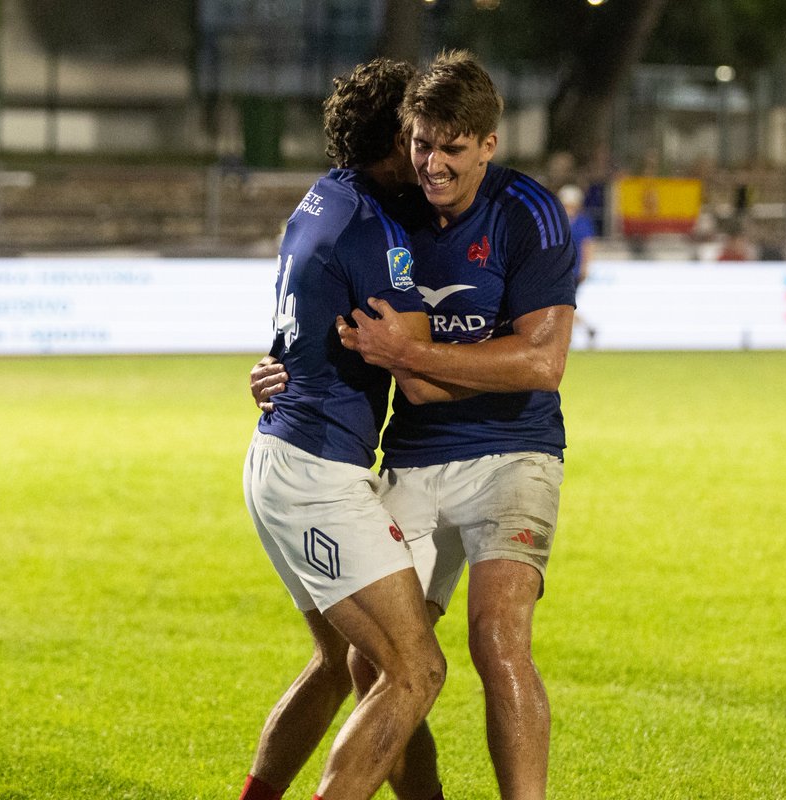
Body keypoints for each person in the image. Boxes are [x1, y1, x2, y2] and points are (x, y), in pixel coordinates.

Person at [254, 49, 577, 800]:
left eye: (451, 149)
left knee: (496, 641)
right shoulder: (390, 212)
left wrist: (408, 353)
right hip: (411, 456)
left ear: (488, 145)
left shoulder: (527, 213)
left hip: (513, 456)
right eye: (420, 143)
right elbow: (334, 308)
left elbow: (544, 364)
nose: (431, 164)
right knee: (381, 666)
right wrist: (283, 367)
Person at [240, 58, 457, 800]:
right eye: (420, 133)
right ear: (395, 135)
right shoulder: (375, 229)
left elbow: (299, 328)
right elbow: (421, 373)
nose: (431, 148)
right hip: (316, 473)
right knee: (415, 669)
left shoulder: (322, 199)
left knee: (341, 667)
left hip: (279, 454)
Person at [558, 183, 598, 348]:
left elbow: (588, 245)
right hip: (559, 270)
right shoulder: (559, 220)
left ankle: (572, 336)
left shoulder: (582, 222)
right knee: (563, 305)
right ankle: (585, 330)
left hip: (572, 271)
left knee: (563, 305)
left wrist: (585, 267)